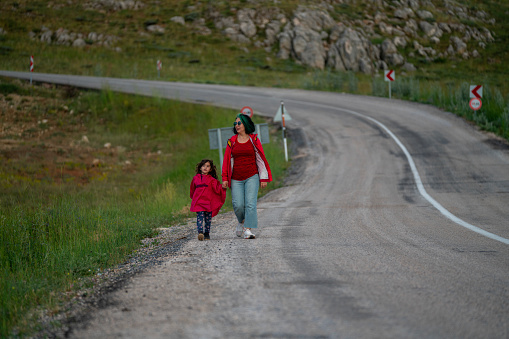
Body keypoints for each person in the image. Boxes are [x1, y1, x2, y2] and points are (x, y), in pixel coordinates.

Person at [222, 113, 272, 239]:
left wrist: (263, 177)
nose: (237, 125)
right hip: (236, 178)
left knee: (250, 203)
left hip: (252, 176)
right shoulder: (231, 142)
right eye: (235, 123)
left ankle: (247, 229)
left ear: (245, 124)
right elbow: (226, 161)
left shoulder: (254, 140)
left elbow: (260, 159)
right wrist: (224, 178)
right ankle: (241, 221)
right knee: (238, 204)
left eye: (239, 123)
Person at [190, 159, 226, 241]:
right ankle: (200, 233)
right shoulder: (195, 178)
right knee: (200, 217)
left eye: (207, 166)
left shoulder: (212, 180)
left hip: (208, 203)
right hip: (199, 202)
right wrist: (194, 199)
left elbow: (217, 189)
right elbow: (192, 190)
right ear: (200, 168)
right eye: (203, 166)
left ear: (211, 169)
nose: (205, 168)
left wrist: (223, 187)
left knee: (207, 219)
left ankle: (207, 234)